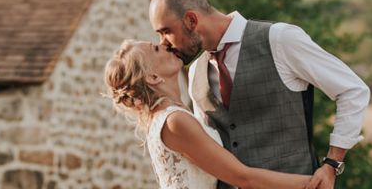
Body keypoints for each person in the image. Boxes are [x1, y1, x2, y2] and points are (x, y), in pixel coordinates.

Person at [149, 0, 371, 189]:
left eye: (166, 31)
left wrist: (332, 164)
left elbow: (352, 90)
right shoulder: (197, 71)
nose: (163, 43)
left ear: (191, 20)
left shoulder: (279, 39)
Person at [104, 39, 312, 189]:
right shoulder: (174, 121)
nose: (165, 44)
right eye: (156, 49)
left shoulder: (168, 117)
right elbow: (243, 178)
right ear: (153, 77)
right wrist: (312, 183)